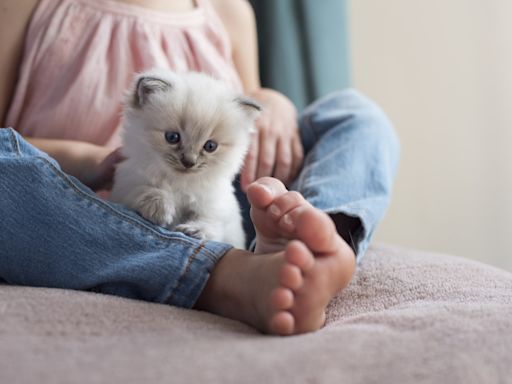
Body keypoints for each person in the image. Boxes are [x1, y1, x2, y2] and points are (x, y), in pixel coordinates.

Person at [0, 0, 399, 335]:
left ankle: (308, 241)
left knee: (355, 115)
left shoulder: (228, 10)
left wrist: (274, 102)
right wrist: (89, 161)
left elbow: (246, 103)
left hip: (222, 202)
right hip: (84, 213)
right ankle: (226, 276)